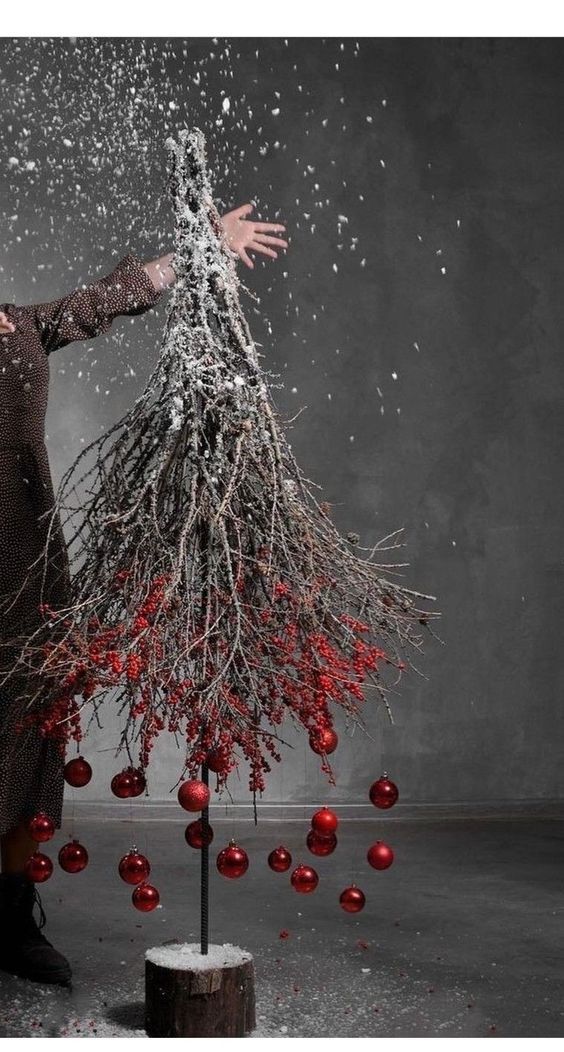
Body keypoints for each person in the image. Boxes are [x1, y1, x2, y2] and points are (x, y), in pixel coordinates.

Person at [0, 203, 288, 987]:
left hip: (24, 581)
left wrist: (203, 249)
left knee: (27, 750)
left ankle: (10, 916)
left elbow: (115, 295)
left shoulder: (19, 326)